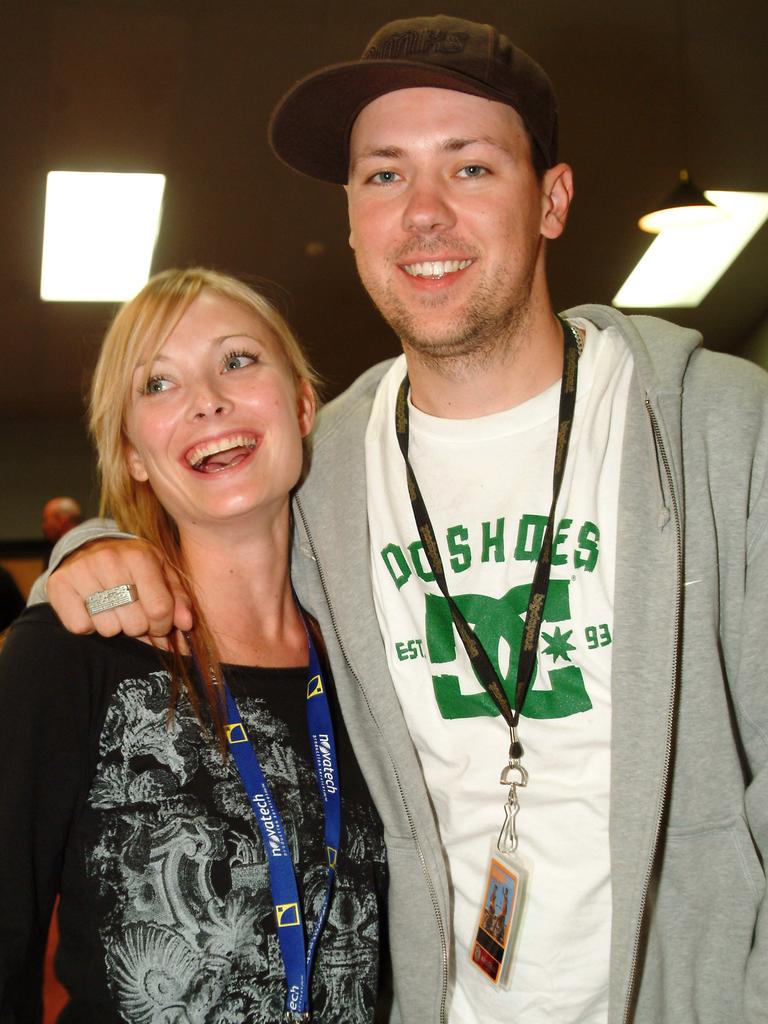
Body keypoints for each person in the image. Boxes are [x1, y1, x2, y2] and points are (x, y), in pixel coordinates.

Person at [31, 15, 767, 1024]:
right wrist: (87, 551)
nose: (422, 213)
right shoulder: (322, 469)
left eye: (468, 168)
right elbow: (205, 522)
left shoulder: (717, 428)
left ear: (550, 201)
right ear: (350, 216)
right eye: (384, 175)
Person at [2, 268, 387, 1021]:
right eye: (158, 384)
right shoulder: (76, 647)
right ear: (135, 455)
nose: (208, 399)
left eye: (238, 361)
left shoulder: (370, 665)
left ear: (304, 405)